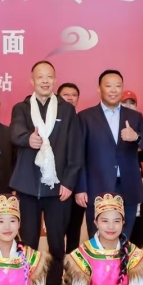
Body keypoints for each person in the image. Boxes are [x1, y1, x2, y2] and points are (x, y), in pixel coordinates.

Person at [10, 61, 84, 285]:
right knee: (28, 245)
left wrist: (69, 182)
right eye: (40, 77)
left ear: (54, 80)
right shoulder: (21, 108)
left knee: (56, 245)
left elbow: (75, 149)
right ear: (31, 81)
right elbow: (15, 133)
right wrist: (27, 139)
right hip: (28, 187)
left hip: (57, 189)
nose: (44, 81)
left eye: (49, 77)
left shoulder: (67, 110)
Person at [77, 70, 143, 240]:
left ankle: (122, 259)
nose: (113, 90)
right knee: (97, 239)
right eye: (108, 86)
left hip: (128, 187)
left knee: (124, 240)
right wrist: (81, 188)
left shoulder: (134, 116)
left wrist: (136, 137)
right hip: (97, 187)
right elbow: (79, 155)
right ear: (99, 89)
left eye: (118, 86)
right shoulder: (85, 117)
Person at [59, 83, 87, 258]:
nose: (70, 98)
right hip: (58, 186)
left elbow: (84, 156)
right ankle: (56, 268)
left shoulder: (83, 120)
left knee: (74, 230)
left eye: (73, 95)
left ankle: (72, 267)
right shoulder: (52, 121)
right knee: (57, 231)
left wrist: (81, 187)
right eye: (65, 94)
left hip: (78, 185)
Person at [121, 90, 143, 248]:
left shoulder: (141, 127)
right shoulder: (108, 127)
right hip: (115, 183)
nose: (128, 106)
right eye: (124, 102)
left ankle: (135, 257)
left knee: (137, 225)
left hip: (136, 181)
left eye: (132, 103)